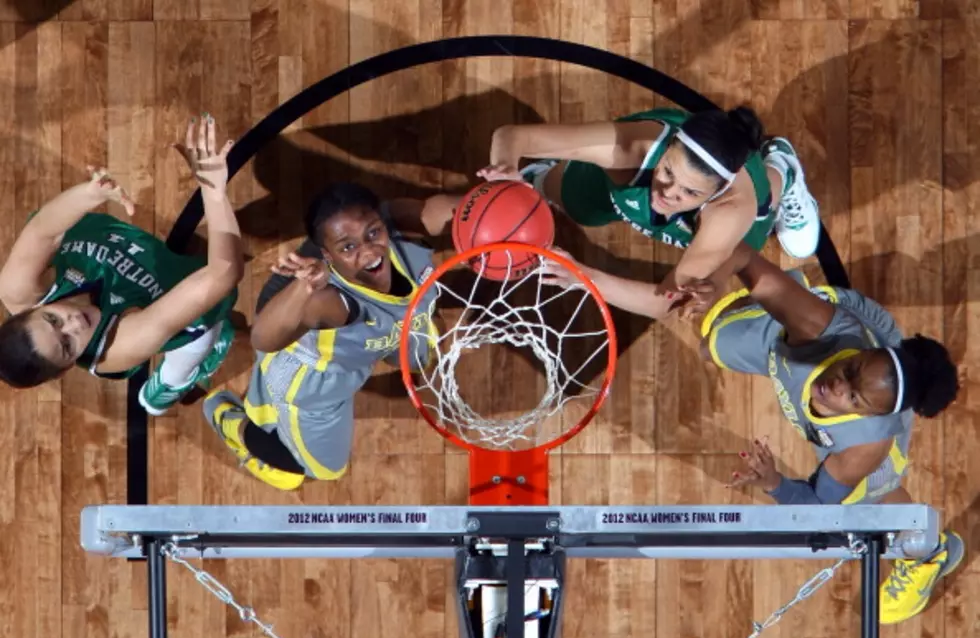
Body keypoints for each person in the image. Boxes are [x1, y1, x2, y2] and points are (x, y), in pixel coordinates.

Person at [689, 241, 961, 625]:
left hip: (867, 416)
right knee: (710, 340)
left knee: (872, 493)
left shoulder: (867, 443)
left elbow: (819, 508)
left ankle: (928, 551)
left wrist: (774, 483)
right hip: (831, 329)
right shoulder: (822, 330)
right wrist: (714, 281)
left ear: (871, 412)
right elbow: (743, 255)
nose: (835, 389)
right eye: (850, 373)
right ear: (859, 357)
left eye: (852, 396)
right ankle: (784, 309)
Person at [202, 183, 448, 490]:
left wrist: (499, 197)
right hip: (312, 381)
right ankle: (227, 417)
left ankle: (264, 398)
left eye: (372, 233)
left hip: (358, 345)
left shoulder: (397, 227)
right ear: (327, 256)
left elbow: (455, 211)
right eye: (348, 247)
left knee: (426, 353)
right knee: (312, 471)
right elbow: (263, 338)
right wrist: (305, 287)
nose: (369, 250)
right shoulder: (330, 302)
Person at [0, 114, 243, 416]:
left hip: (134, 251)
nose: (74, 322)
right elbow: (222, 273)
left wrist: (89, 194)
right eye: (67, 345)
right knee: (198, 342)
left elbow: (42, 230)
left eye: (53, 319)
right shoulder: (121, 346)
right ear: (66, 368)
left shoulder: (18, 287)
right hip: (183, 307)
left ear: (29, 310)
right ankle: (165, 391)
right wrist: (213, 192)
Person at [478, 106, 821, 317]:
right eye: (669, 172)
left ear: (717, 192)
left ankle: (782, 169)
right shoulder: (634, 147)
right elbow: (512, 135)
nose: (667, 193)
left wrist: (583, 276)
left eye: (689, 192)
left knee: (763, 205)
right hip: (635, 173)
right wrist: (506, 167)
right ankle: (542, 180)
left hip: (735, 215)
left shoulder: (730, 212)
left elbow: (663, 304)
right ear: (669, 147)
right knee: (572, 201)